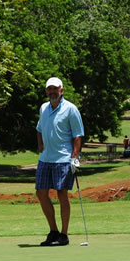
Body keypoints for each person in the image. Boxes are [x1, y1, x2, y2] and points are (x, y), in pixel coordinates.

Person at [35, 77, 84, 246]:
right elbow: (39, 129)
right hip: (45, 158)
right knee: (41, 193)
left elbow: (78, 135)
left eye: (55, 89)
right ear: (46, 91)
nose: (52, 92)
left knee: (61, 193)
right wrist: (40, 144)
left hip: (63, 158)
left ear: (61, 90)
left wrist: (74, 157)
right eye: (49, 89)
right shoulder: (43, 108)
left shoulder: (71, 109)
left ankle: (64, 234)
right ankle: (53, 231)